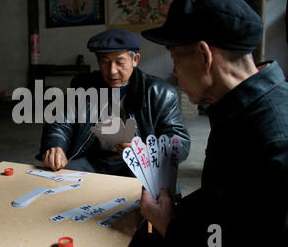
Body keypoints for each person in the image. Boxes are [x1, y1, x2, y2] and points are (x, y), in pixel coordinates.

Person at [136, 0, 288, 247]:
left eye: (174, 56)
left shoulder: (276, 141)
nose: (174, 71)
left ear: (204, 56)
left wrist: (166, 224)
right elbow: (224, 200)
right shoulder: (236, 109)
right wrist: (178, 209)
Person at [37, 28, 190, 177]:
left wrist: (150, 151)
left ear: (135, 60)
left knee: (157, 192)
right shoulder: (83, 85)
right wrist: (54, 145)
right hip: (93, 161)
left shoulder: (160, 92)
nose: (112, 71)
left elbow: (179, 142)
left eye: (120, 62)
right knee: (57, 180)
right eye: (105, 62)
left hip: (137, 163)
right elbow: (60, 124)